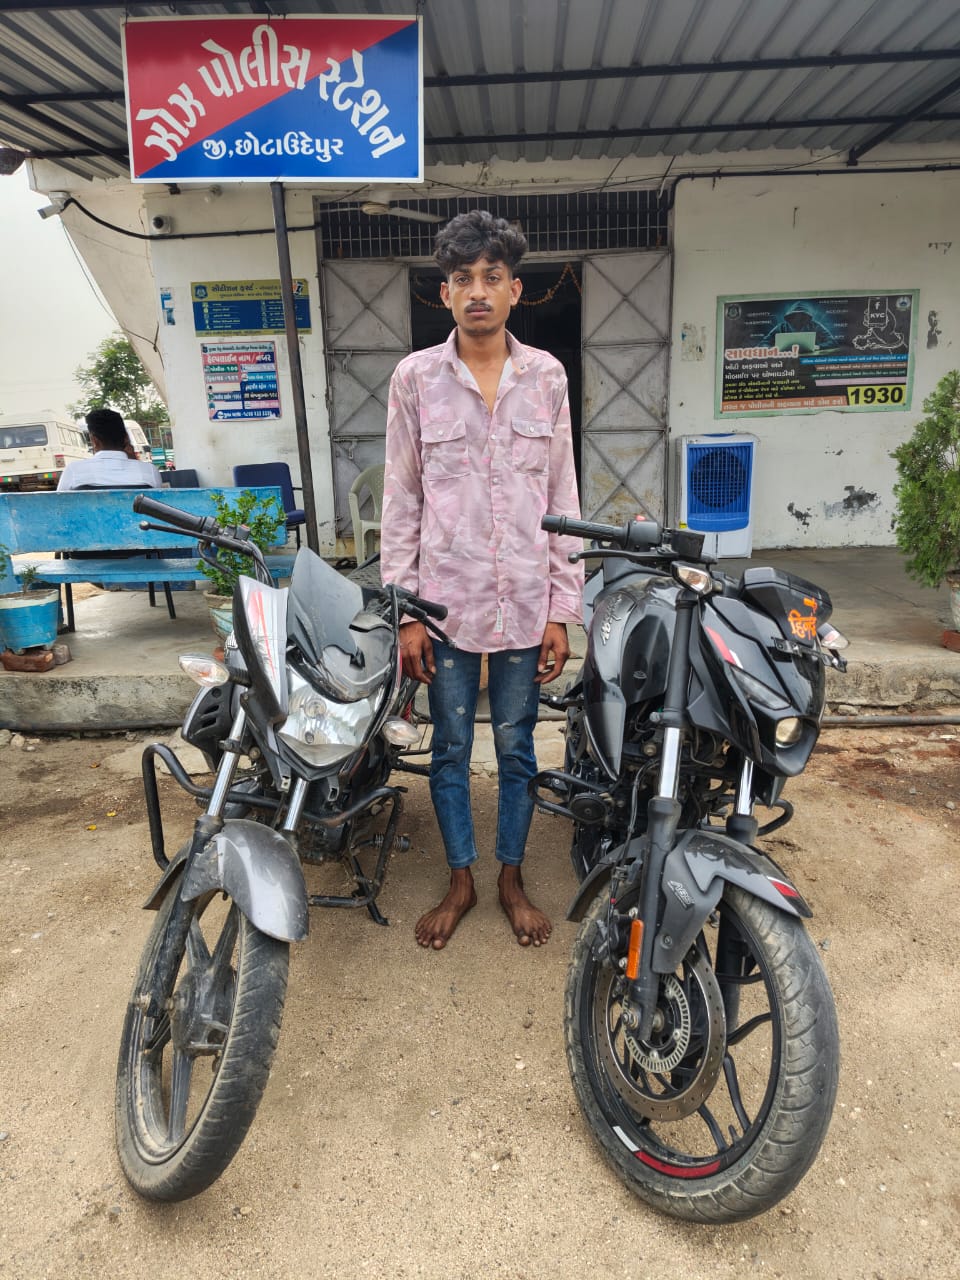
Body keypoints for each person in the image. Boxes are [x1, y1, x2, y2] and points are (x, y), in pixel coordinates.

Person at [380, 210, 584, 950]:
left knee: (521, 746)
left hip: (526, 600)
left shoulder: (547, 377)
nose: (477, 291)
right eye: (462, 278)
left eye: (491, 277)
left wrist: (562, 607)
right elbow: (401, 497)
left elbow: (563, 495)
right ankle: (461, 878)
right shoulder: (415, 379)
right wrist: (407, 612)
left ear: (514, 290)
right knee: (451, 747)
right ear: (444, 293)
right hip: (446, 605)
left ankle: (511, 878)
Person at [57, 408, 162, 490]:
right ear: (126, 438)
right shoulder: (150, 471)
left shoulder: (74, 471)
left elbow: (60, 506)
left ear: (94, 440)